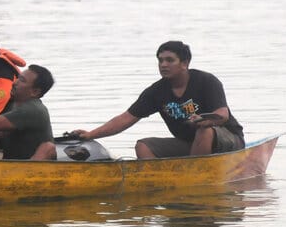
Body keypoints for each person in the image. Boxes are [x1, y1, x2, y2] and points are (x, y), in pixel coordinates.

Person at [71, 41, 244, 158]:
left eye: (170, 60)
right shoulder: (156, 91)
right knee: (143, 146)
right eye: (160, 60)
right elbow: (125, 119)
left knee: (204, 130)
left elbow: (222, 115)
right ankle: (158, 181)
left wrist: (205, 120)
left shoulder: (206, 81)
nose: (163, 65)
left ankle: (196, 174)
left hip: (228, 140)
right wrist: (90, 134)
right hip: (189, 145)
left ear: (184, 63)